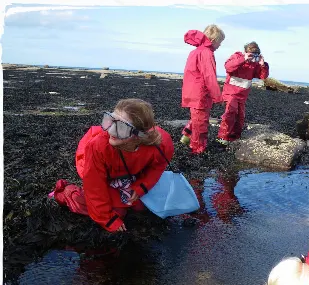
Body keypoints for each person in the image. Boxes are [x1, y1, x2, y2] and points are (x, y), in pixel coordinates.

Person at [52, 98, 174, 233]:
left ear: (139, 135)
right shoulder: (98, 146)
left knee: (140, 207)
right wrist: (106, 219)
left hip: (127, 170)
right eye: (110, 120)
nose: (110, 130)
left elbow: (158, 166)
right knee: (117, 212)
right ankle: (65, 192)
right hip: (92, 165)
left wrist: (142, 187)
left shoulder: (161, 143)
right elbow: (95, 187)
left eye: (121, 127)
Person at [180, 24, 225, 154]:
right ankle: (197, 149)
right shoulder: (207, 53)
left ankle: (186, 137)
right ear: (213, 40)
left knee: (197, 118)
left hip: (191, 92)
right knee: (201, 123)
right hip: (200, 95)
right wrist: (217, 97)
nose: (220, 45)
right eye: (219, 42)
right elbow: (209, 76)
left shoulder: (195, 51)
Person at [216, 41, 269, 146]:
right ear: (246, 52)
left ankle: (234, 137)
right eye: (251, 55)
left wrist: (263, 65)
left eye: (255, 55)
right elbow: (228, 67)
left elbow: (263, 76)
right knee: (230, 113)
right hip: (231, 92)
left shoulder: (255, 64)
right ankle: (222, 137)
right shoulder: (237, 57)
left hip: (242, 95)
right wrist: (243, 59)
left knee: (240, 116)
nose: (252, 58)